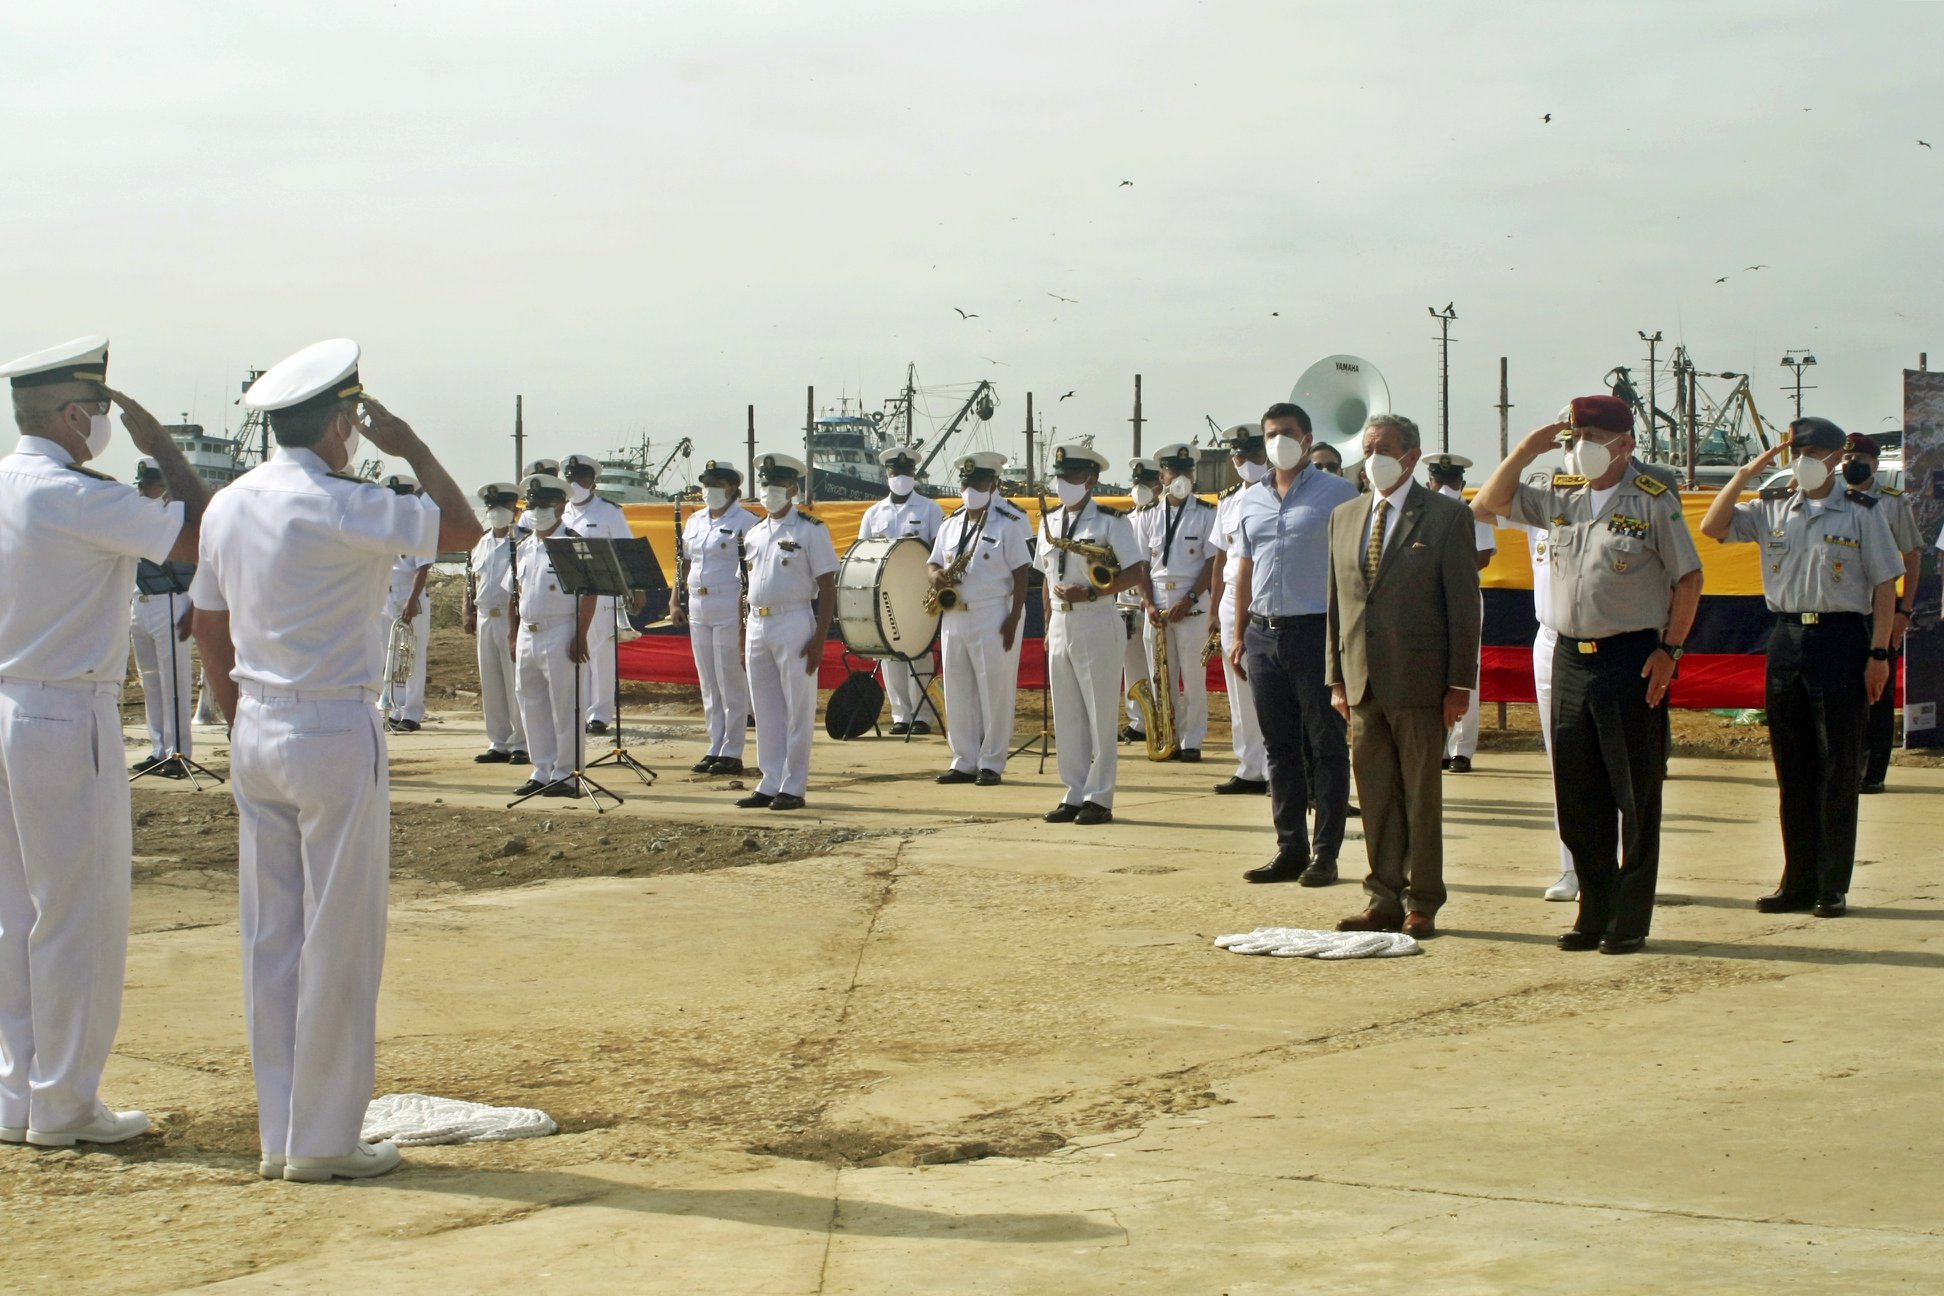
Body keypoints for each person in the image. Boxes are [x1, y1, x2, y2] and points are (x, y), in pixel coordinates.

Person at [191, 338, 480, 1181]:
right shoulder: (346, 503)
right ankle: (323, 1140)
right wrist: (412, 446)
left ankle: (281, 1133)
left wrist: (244, 719)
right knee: (340, 938)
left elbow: (207, 625)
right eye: (352, 420)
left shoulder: (227, 504)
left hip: (255, 723)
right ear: (340, 424)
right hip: (330, 727)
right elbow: (461, 528)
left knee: (270, 937)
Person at [0, 336, 204, 1148]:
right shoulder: (77, 494)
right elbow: (200, 534)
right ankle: (65, 1103)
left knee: (13, 915)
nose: (105, 424)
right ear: (71, 415)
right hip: (62, 711)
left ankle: (18, 1094)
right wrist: (164, 448)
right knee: (76, 913)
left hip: (8, 700)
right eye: (98, 409)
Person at [1475, 394, 1702, 955]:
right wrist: (1527, 448)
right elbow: (1486, 503)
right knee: (1577, 795)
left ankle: (1629, 918)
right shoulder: (1561, 495)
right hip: (1570, 657)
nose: (1582, 448)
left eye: (1594, 439)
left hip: (1630, 658)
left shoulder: (1652, 500)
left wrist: (1670, 650)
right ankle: (1593, 911)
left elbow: (1689, 578)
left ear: (1625, 445)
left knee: (1634, 796)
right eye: (1575, 438)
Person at [1701, 419, 1903, 917]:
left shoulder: (1862, 511)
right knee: (1792, 769)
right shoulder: (1772, 506)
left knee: (1838, 766)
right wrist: (1745, 474)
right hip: (1787, 637)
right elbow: (1713, 527)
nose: (1802, 460)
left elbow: (1884, 585)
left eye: (1812, 452)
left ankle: (1832, 884)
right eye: (1797, 451)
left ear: (1835, 458)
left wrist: (1879, 654)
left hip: (1842, 639)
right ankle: (1797, 880)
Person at [1326, 415, 1481, 938]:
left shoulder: (1446, 517)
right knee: (1375, 796)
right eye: (1368, 447)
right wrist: (1336, 677)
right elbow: (1338, 604)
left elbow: (1464, 609)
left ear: (1412, 456)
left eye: (1385, 448)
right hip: (1361, 681)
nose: (1374, 458)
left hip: (1420, 680)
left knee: (1420, 796)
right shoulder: (1344, 516)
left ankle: (1423, 899)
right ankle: (1383, 897)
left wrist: (1459, 684)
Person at [1226, 403, 1359, 882]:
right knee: (1278, 749)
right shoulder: (1250, 499)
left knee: (1325, 746)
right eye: (1270, 433)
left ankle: (1326, 854)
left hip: (1316, 632)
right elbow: (1245, 566)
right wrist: (1239, 633)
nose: (1277, 441)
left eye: (1286, 432)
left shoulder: (1339, 493)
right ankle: (1290, 849)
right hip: (1263, 634)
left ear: (1307, 439)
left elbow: (1354, 568)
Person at [1038, 444, 1149, 825]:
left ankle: (1099, 797)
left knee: (1100, 715)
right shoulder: (1048, 521)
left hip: (1096, 618)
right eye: (1060, 477)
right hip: (1060, 623)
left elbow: (1137, 571)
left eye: (1071, 477)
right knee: (1067, 715)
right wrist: (1047, 624)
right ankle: (1073, 792)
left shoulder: (1111, 522)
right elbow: (1046, 578)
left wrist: (1091, 592)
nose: (1063, 484)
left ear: (1090, 478)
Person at [1481, 481, 1580, 902]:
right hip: (1552, 638)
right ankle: (1573, 867)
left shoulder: (1615, 502)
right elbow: (1483, 505)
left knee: (1610, 761)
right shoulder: (1539, 505)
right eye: (1567, 448)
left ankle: (1617, 865)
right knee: (1563, 760)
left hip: (1606, 640)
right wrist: (1525, 452)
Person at [737, 454, 838, 811]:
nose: (770, 491)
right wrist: (742, 634)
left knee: (797, 708)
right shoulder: (754, 532)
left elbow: (827, 586)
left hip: (794, 620)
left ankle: (793, 786)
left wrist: (820, 637)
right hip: (757, 622)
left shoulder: (810, 530)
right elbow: (745, 586)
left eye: (778, 485)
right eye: (766, 484)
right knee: (765, 708)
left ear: (793, 489)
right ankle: (770, 780)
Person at [927, 451, 1031, 785]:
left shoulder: (1009, 522)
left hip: (992, 611)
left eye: (980, 483)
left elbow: (1022, 573)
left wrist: (1014, 617)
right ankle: (963, 759)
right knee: (957, 688)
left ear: (994, 484)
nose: (972, 489)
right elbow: (933, 562)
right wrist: (935, 575)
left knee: (994, 689)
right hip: (954, 614)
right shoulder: (950, 524)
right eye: (967, 483)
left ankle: (992, 762)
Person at [1839, 433, 1922, 794]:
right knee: (1845, 689)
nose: (1851, 463)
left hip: (1881, 609)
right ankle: (1846, 767)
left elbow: (1912, 557)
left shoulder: (1891, 502)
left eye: (1859, 458)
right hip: (1844, 608)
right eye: (1847, 458)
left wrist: (1905, 610)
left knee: (1878, 692)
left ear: (1874, 464)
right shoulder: (1833, 497)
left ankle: (1873, 772)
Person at [506, 474, 597, 798]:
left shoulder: (573, 543)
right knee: (531, 702)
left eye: (544, 505)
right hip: (528, 631)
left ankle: (567, 774)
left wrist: (581, 634)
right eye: (532, 505)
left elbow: (590, 592)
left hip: (561, 629)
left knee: (566, 705)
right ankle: (541, 770)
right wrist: (513, 634)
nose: (537, 511)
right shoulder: (524, 546)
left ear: (560, 506)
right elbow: (513, 594)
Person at [673, 460, 757, 775]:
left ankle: (732, 750)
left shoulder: (746, 522)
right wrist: (674, 599)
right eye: (707, 484)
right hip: (698, 602)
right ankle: (715, 745)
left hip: (728, 602)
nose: (710, 490)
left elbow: (750, 571)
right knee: (708, 680)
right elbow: (685, 562)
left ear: (733, 487)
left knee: (730, 678)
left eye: (717, 485)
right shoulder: (694, 521)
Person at [1136, 442, 1216, 761]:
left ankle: (1192, 740)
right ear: (1162, 476)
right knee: (1161, 678)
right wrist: (1148, 604)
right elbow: (1141, 566)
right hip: (1156, 604)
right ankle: (1167, 736)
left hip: (1192, 604)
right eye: (1173, 471)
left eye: (1186, 471)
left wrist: (1190, 598)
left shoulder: (1207, 513)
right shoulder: (1148, 515)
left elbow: (1212, 563)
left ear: (1193, 475)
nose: (1180, 477)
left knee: (1194, 678)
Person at [858, 446, 945, 735]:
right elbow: (863, 552)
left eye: (906, 472)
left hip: (918, 591)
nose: (901, 477)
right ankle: (901, 715)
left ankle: (922, 715)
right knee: (889, 651)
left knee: (919, 650)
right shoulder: (873, 513)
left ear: (914, 475)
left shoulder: (930, 509)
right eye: (896, 472)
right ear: (888, 474)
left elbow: (939, 552)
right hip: (884, 591)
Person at [1422, 453, 1496, 774]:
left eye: (1452, 482)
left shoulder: (1472, 511)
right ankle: (1438, 746)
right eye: (1439, 481)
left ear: (1462, 484)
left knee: (1466, 670)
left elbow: (1484, 555)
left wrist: (1449, 568)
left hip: (1463, 595)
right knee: (1430, 671)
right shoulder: (1420, 513)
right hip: (1427, 598)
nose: (1445, 487)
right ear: (1429, 483)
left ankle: (1461, 750)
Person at [1208, 425, 1269, 794]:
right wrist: (1214, 609)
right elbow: (1220, 558)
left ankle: (1275, 768)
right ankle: (1249, 768)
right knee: (1238, 687)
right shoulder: (1228, 501)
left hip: (1265, 595)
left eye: (1253, 455)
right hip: (1232, 597)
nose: (1246, 463)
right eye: (1239, 456)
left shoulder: (1278, 493)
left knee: (1269, 688)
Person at [129, 456, 196, 775]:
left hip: (171, 601)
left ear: (165, 487)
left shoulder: (177, 518)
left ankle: (178, 753)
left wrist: (194, 607)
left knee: (174, 681)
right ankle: (159, 749)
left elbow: (199, 565)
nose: (144, 491)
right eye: (141, 486)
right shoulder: (134, 515)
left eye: (150, 486)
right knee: (150, 681)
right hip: (140, 601)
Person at [561, 452, 636, 734]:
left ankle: (600, 714)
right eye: (570, 477)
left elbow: (625, 550)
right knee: (572, 652)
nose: (575, 483)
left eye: (581, 478)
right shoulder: (560, 512)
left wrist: (634, 589)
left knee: (600, 653)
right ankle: (578, 709)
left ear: (592, 482)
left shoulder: (608, 512)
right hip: (567, 593)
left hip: (602, 593)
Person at [462, 482, 527, 766]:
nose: (496, 512)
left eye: (502, 507)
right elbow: (470, 578)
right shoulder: (479, 542)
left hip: (512, 618)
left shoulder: (524, 541)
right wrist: (467, 610)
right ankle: (499, 741)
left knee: (516, 683)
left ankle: (522, 742)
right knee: (491, 682)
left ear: (514, 509)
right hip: (485, 616)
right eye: (491, 507)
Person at [378, 473, 431, 733]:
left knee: (412, 656)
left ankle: (411, 712)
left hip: (411, 596)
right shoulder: (384, 528)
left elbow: (423, 567)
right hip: (385, 597)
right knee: (389, 657)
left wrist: (411, 601)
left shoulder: (420, 526)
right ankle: (393, 709)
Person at [1117, 458, 1162, 745]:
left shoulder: (1163, 517)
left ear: (1159, 484)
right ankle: (1139, 721)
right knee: (1131, 663)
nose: (1140, 488)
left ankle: (1160, 720)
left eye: (1146, 482)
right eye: (1136, 482)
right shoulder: (1124, 519)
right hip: (1127, 600)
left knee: (1157, 666)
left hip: (1156, 601)